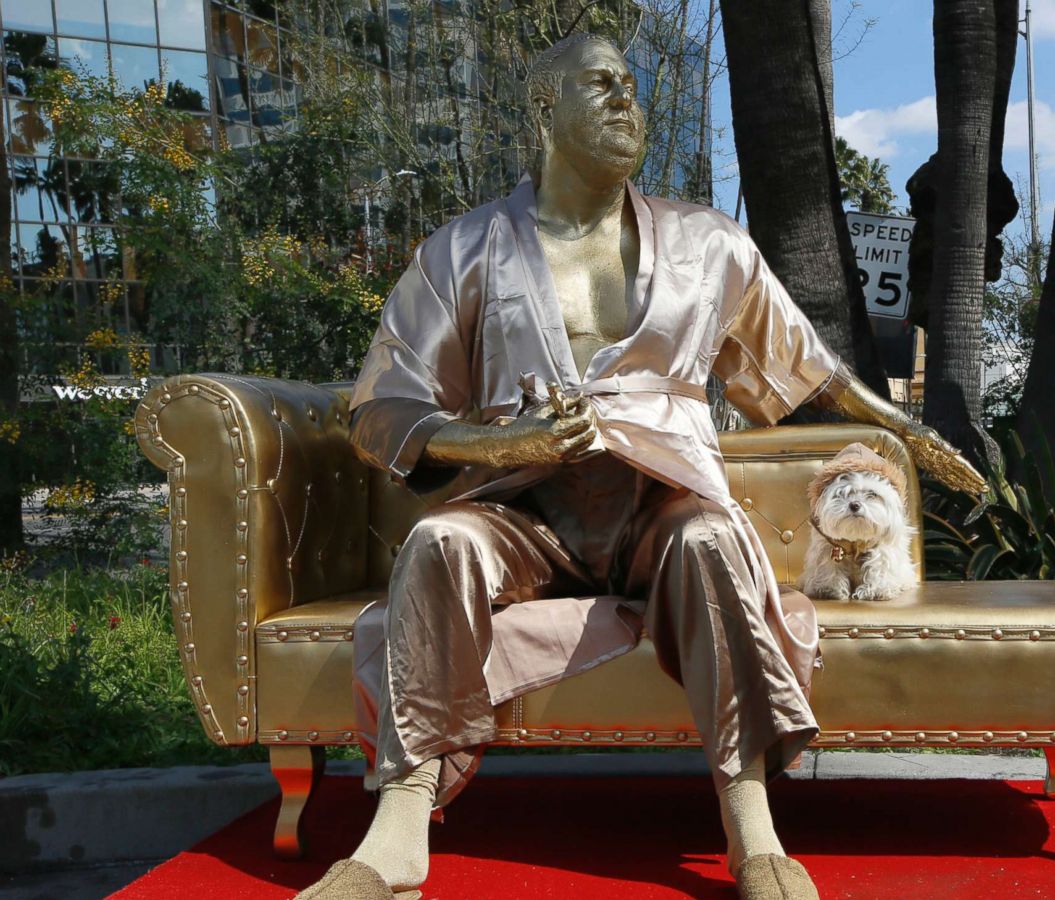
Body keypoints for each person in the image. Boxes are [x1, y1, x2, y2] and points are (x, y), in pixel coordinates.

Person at [294, 31, 986, 900]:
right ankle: (398, 821)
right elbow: (382, 408)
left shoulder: (709, 243)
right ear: (543, 107)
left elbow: (809, 370)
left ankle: (751, 821)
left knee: (713, 540)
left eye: (632, 85)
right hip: (525, 509)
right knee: (440, 542)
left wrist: (907, 430)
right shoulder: (463, 250)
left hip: (663, 501)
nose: (628, 99)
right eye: (601, 83)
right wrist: (507, 445)